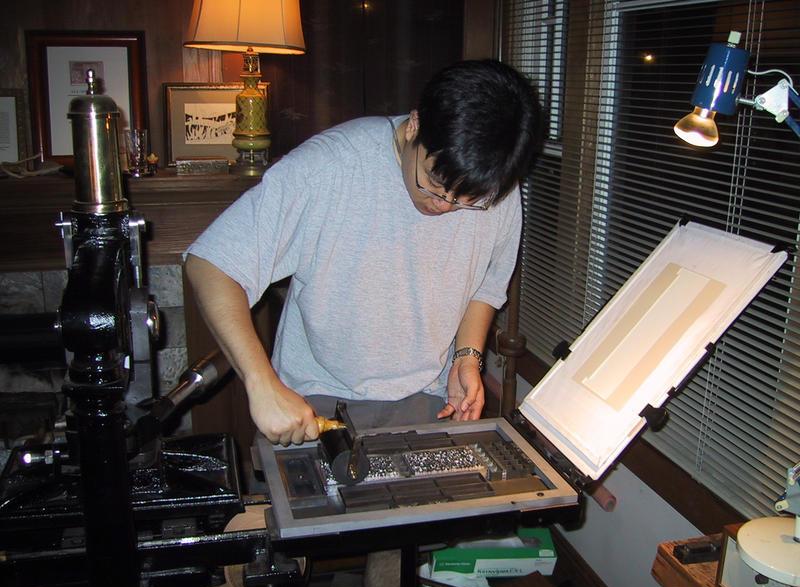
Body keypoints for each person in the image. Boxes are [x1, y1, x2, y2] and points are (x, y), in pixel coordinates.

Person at [184, 59, 542, 446]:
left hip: (430, 398)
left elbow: (485, 286)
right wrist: (261, 383)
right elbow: (211, 264)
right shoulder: (329, 167)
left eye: (465, 201)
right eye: (434, 183)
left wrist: (467, 356)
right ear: (416, 125)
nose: (444, 206)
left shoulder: (495, 188)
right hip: (316, 401)